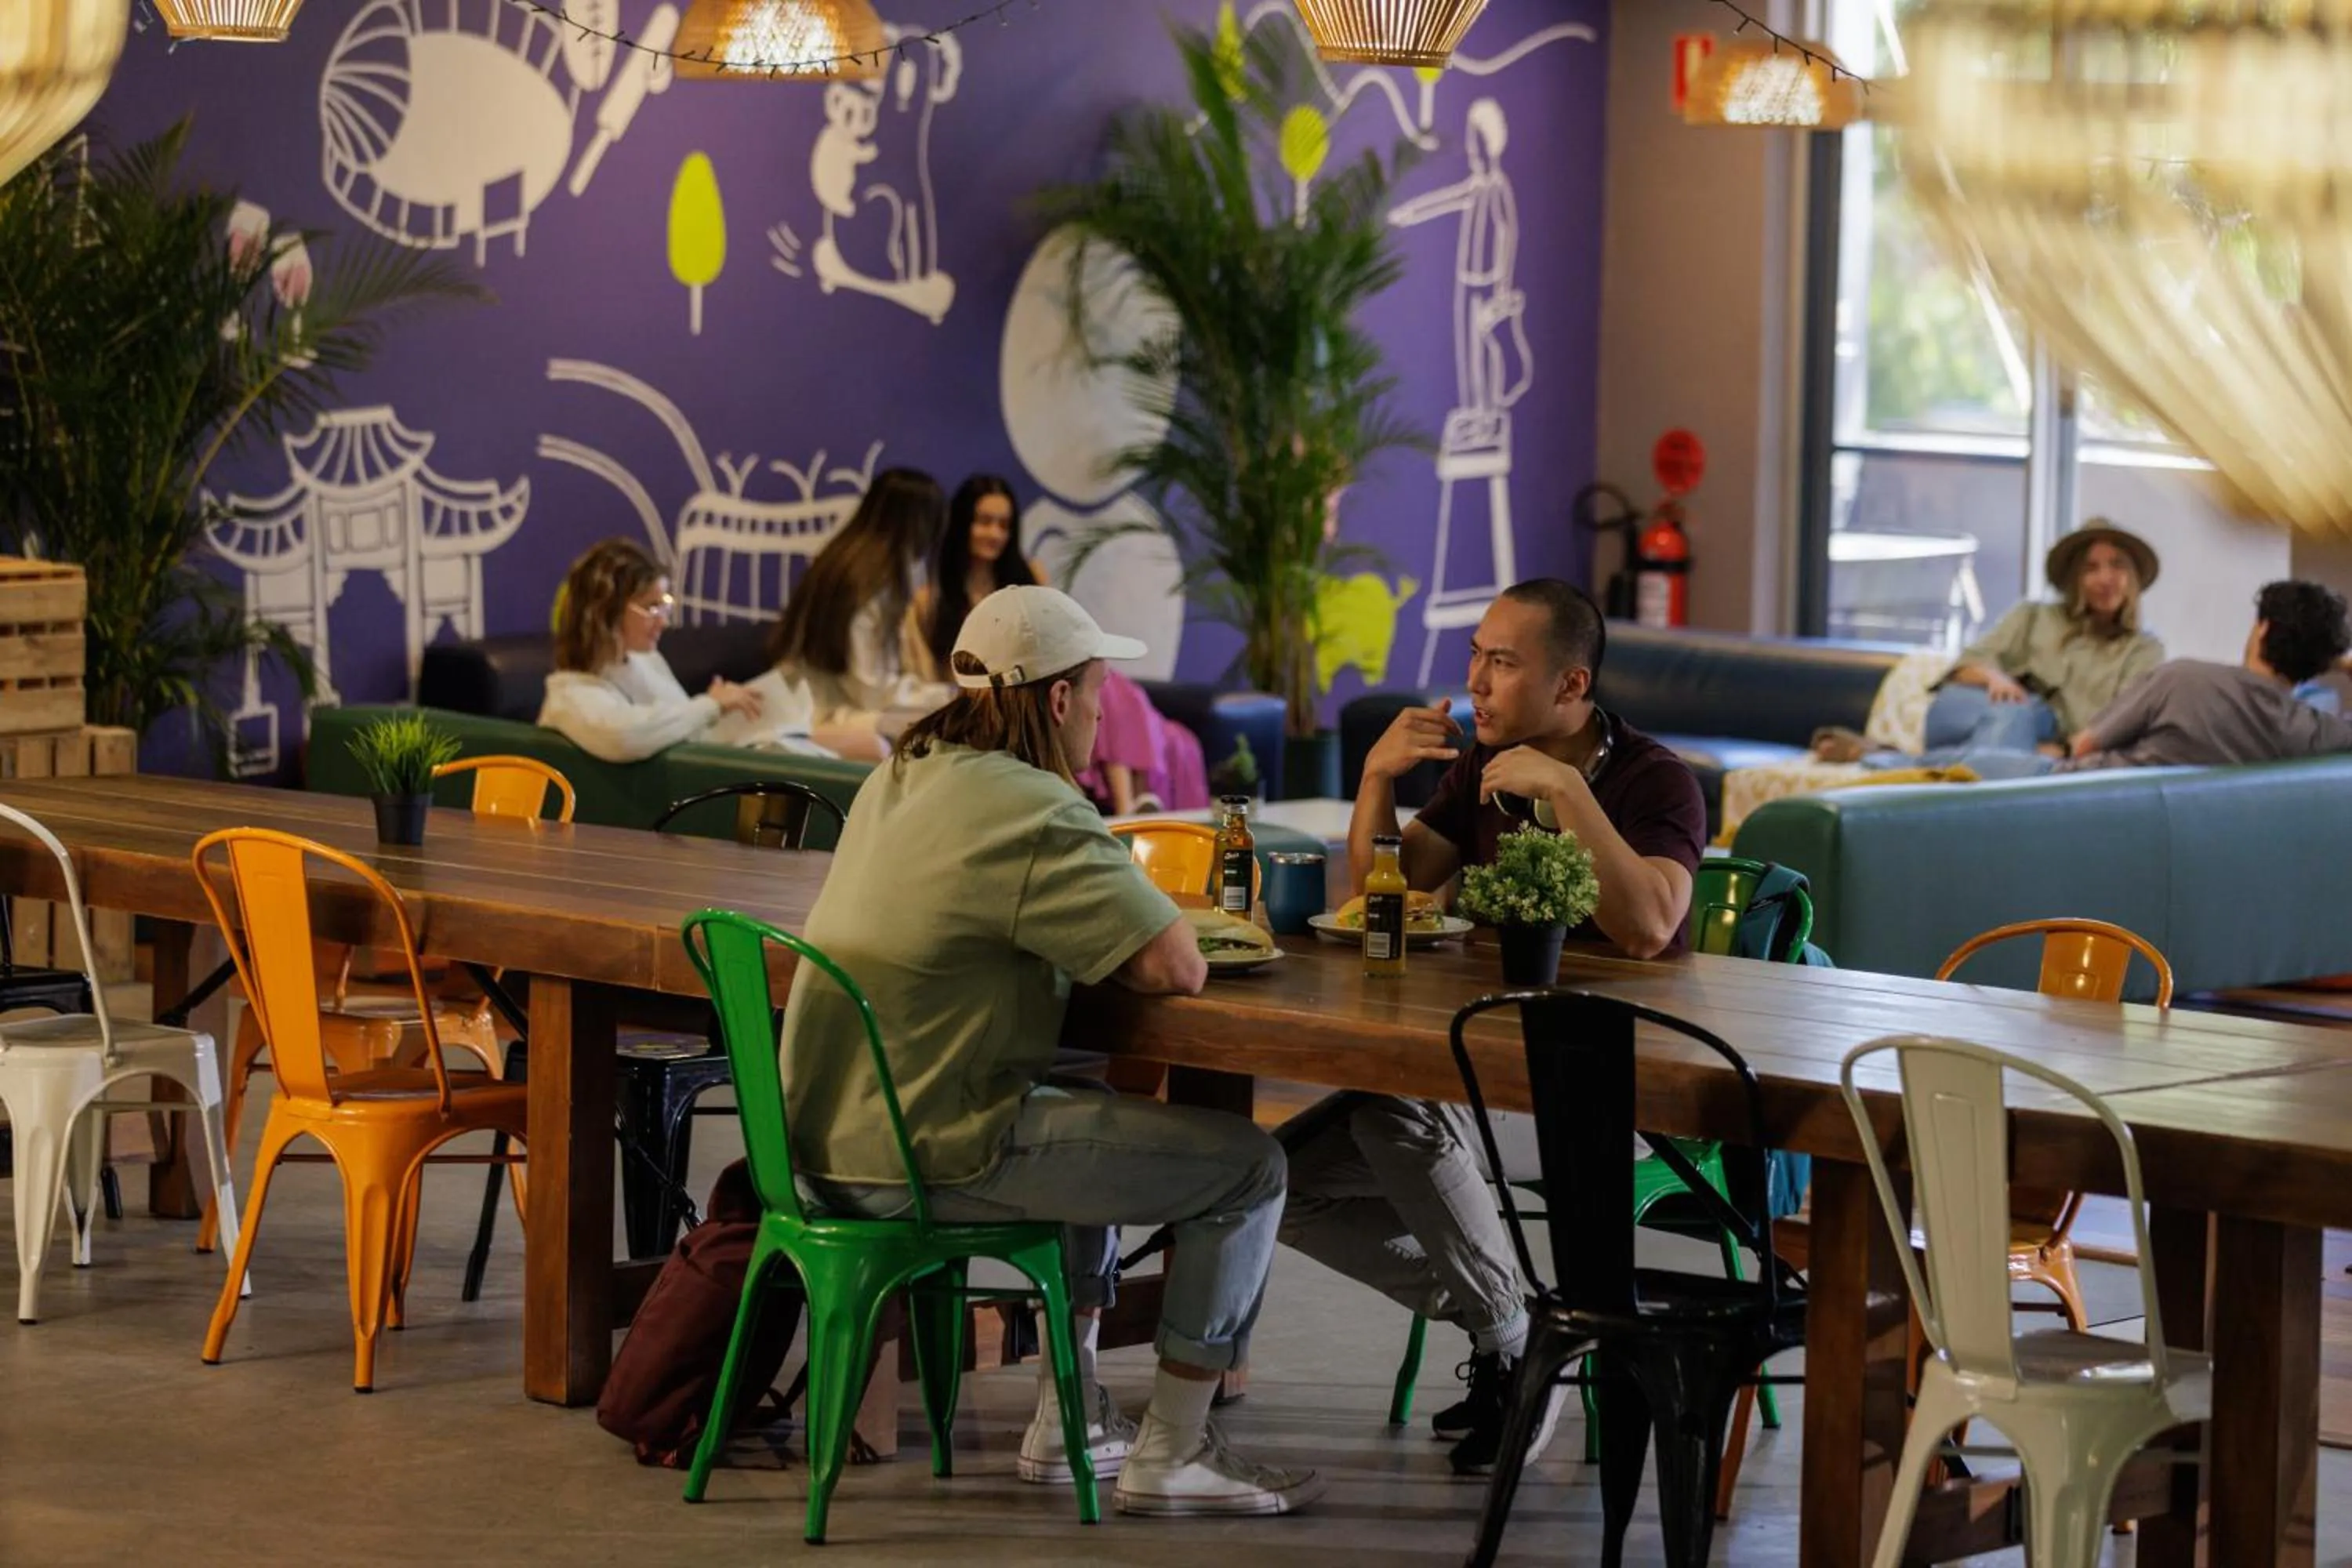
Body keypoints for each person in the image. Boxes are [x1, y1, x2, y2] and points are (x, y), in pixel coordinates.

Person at [780, 584, 1321, 1518]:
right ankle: (1177, 1449)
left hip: (824, 1144)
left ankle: (1067, 1416)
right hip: (933, 1152)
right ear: (1061, 697)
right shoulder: (1034, 808)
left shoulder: (902, 772)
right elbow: (1177, 963)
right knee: (1250, 1168)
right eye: (1100, 691)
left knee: (1083, 1103)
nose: (1105, 714)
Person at [1278, 579, 1708, 1476]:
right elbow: (1386, 895)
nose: (1475, 680)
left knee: (1397, 1114)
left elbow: (1648, 925)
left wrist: (1567, 791)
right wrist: (1377, 778)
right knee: (1272, 1180)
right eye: (1475, 654)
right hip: (1489, 1075)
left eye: (1502, 662)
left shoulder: (1652, 779)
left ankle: (1518, 1344)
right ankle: (1514, 1327)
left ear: (1571, 683)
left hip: (1617, 1097)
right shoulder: (1482, 765)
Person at [908, 475, 1208, 815]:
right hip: (1011, 694)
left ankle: (1130, 806)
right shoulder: (931, 601)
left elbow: (1060, 643)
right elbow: (931, 677)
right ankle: (1130, 808)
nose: (994, 533)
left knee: (1109, 683)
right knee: (1098, 682)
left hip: (1055, 675)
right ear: (963, 524)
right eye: (985, 521)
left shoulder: (1030, 576)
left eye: (1004, 524)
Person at [1815, 522, 2165, 767]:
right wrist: (1995, 678)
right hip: (1968, 709)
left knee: (2018, 752)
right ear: (2076, 579)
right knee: (2016, 717)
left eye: (2117, 566)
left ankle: (1887, 758)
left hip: (2030, 739)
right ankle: (1901, 760)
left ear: (2132, 577)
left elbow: (2123, 724)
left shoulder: (2143, 650)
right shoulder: (2034, 616)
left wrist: (2057, 750)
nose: (2105, 579)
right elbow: (1964, 666)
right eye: (2091, 568)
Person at [1960, 579, 2352, 778]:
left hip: (2070, 786)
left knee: (1982, 740)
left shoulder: (2184, 679)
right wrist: (2335, 661)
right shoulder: (2312, 732)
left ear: (2263, 629)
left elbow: (2082, 746)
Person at [763, 466, 956, 760]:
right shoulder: (872, 588)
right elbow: (872, 692)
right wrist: (948, 694)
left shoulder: (847, 563)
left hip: (812, 708)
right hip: (818, 719)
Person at [537, 539, 766, 763]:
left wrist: (721, 707)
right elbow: (626, 738)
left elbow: (681, 729)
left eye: (664, 605)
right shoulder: (568, 696)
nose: (664, 622)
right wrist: (711, 705)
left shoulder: (647, 660)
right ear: (605, 612)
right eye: (651, 607)